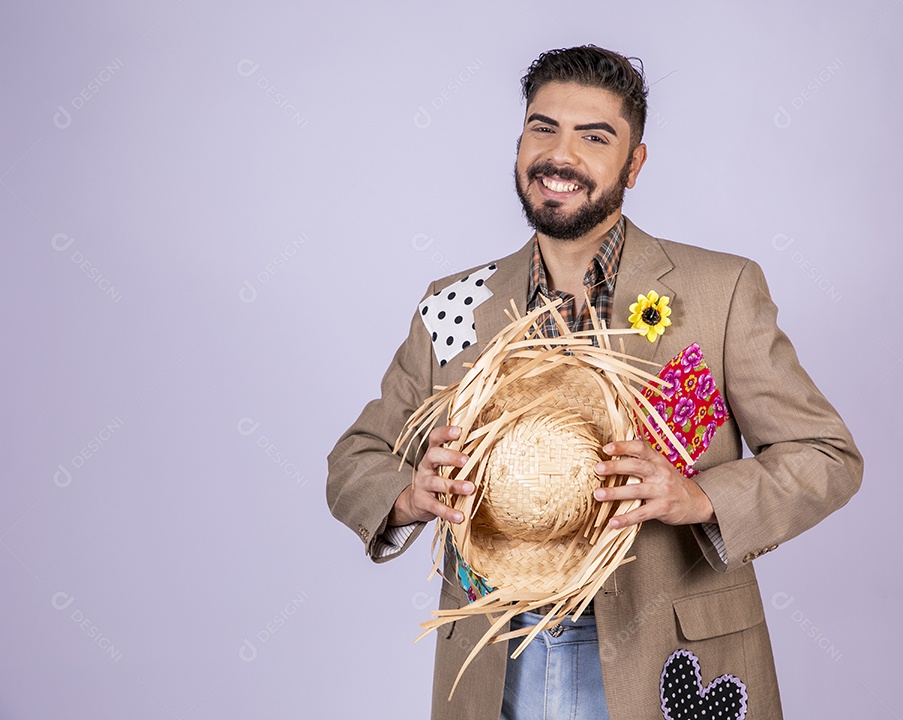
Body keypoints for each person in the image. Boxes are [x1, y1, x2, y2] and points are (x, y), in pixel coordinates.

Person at [327, 45, 863, 720]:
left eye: (594, 136)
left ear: (634, 164)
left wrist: (700, 497)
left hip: (663, 657)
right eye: (542, 127)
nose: (560, 155)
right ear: (519, 140)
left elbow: (826, 457)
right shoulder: (453, 302)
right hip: (499, 664)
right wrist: (408, 496)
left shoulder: (721, 290)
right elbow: (353, 463)